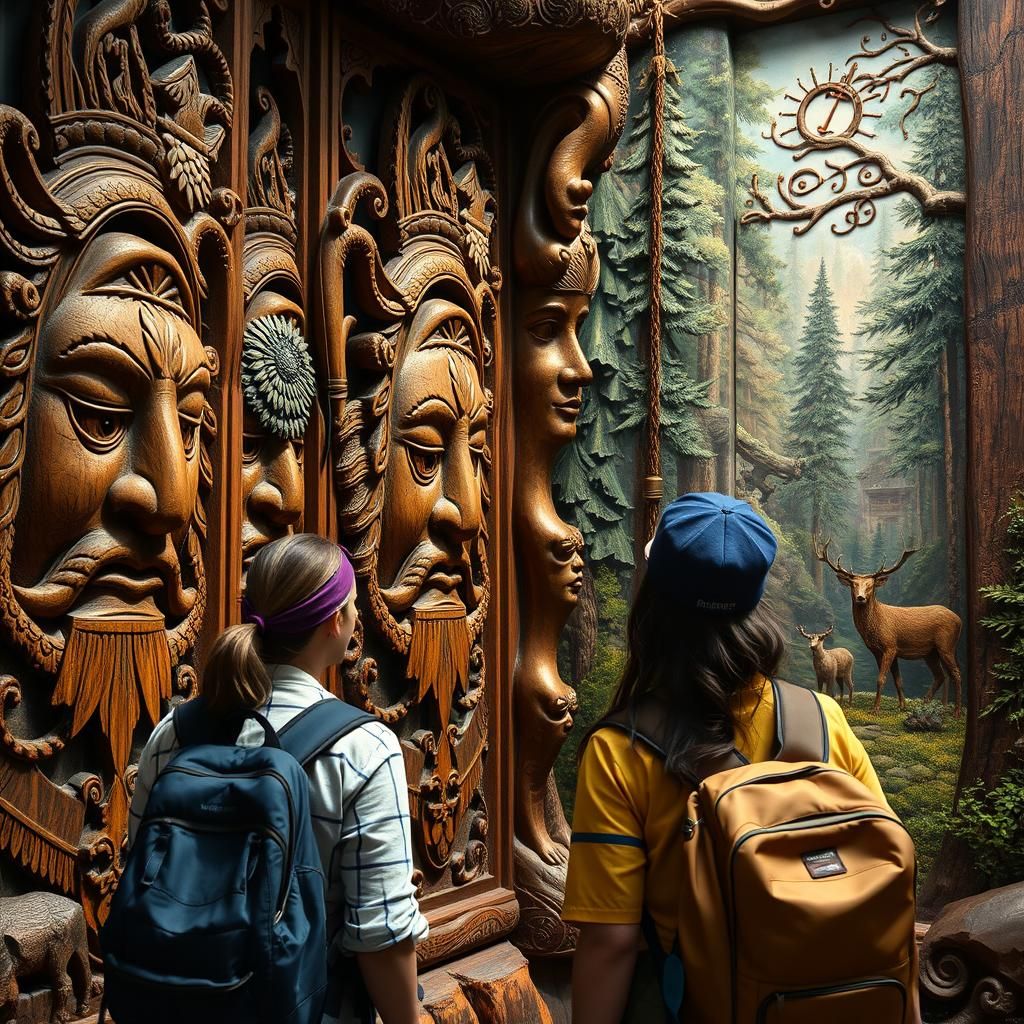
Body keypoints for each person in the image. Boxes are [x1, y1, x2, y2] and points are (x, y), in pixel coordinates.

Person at [562, 493, 894, 1024]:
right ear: (756, 600)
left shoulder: (620, 751)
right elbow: (885, 879)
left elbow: (610, 943)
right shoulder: (822, 718)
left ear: (655, 601)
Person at [128, 533, 428, 1024]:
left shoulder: (173, 734)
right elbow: (380, 937)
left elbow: (141, 870)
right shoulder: (366, 751)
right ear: (336, 622)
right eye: (353, 605)